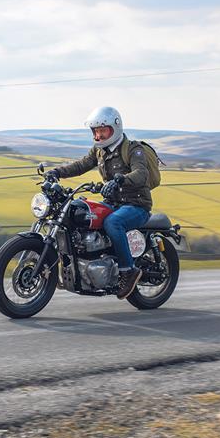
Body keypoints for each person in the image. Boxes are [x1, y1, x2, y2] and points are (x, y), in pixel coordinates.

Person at [45, 106, 154, 300]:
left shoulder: (132, 148)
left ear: (115, 128)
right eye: (95, 131)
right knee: (80, 214)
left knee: (113, 223)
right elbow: (81, 165)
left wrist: (120, 180)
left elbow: (141, 174)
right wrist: (57, 172)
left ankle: (128, 271)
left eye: (102, 130)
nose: (99, 135)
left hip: (136, 205)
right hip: (113, 203)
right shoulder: (99, 151)